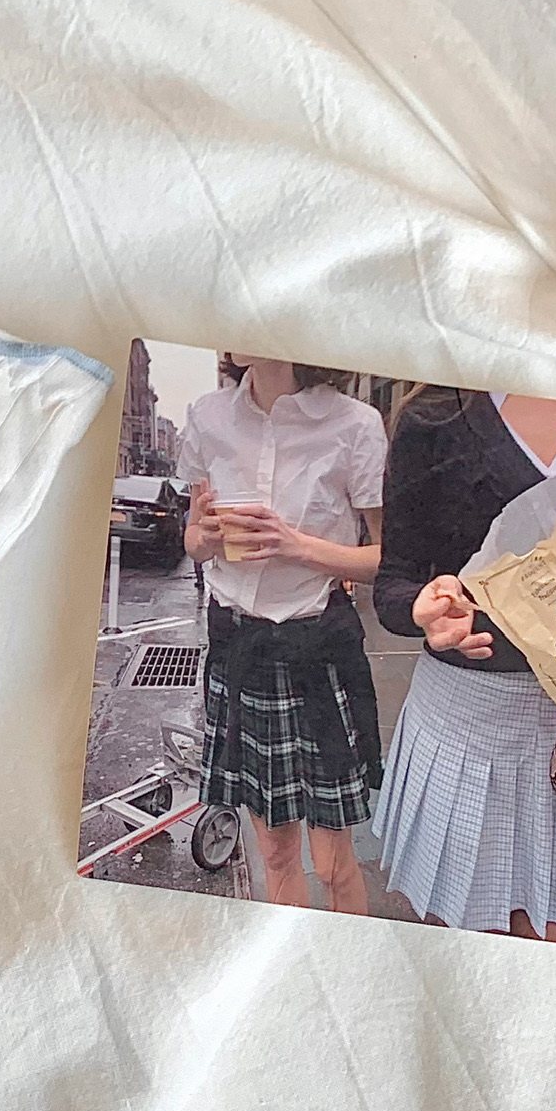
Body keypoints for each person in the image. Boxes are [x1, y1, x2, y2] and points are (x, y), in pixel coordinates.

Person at [372, 389, 556, 942]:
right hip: (468, 727)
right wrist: (423, 609)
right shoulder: (436, 417)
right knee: (469, 946)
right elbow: (394, 579)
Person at [180, 357, 386, 913]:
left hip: (317, 653)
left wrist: (297, 546)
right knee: (274, 853)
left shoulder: (356, 424)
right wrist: (206, 537)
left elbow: (387, 561)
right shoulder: (207, 417)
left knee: (334, 863)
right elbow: (193, 538)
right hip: (239, 654)